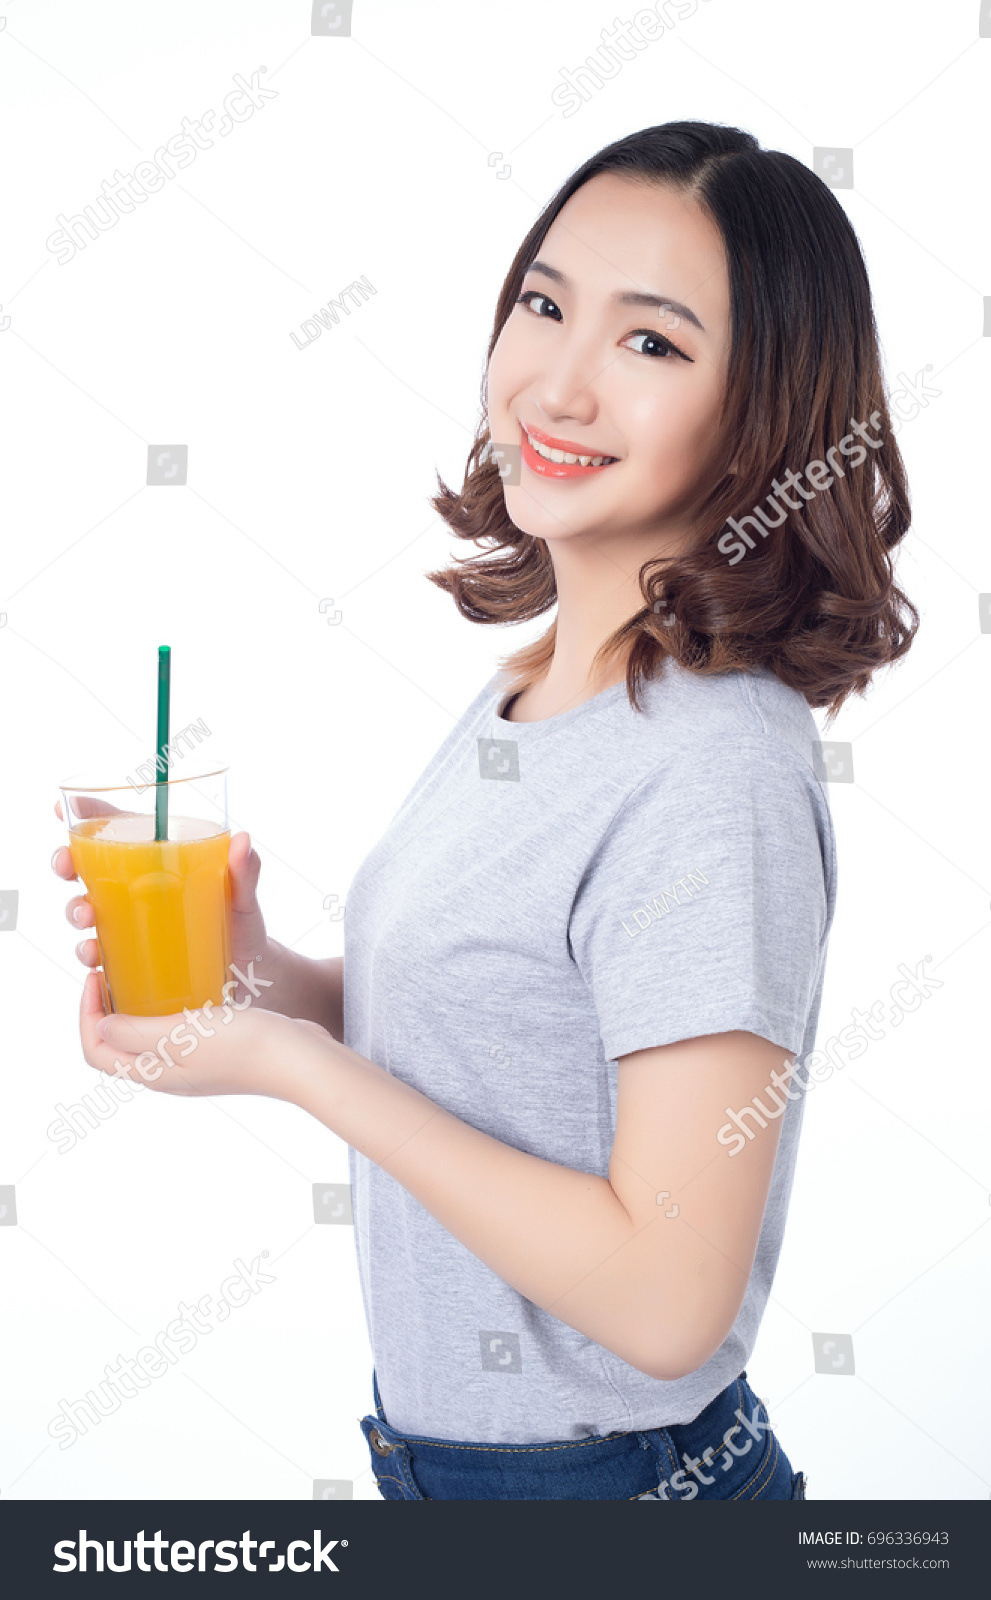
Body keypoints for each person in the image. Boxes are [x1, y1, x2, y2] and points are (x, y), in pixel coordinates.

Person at [53, 120, 917, 1501]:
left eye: (651, 344)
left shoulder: (711, 769)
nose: (558, 386)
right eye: (543, 303)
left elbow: (660, 1298)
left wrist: (288, 1068)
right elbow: (522, 1042)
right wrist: (266, 981)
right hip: (458, 1479)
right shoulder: (542, 689)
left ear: (761, 420)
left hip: (619, 1503)